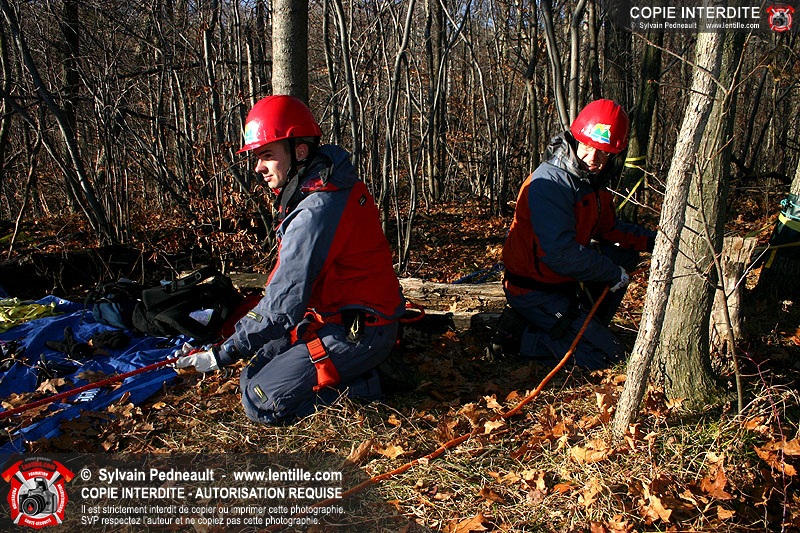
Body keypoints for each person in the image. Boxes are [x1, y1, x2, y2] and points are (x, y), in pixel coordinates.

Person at [174, 95, 405, 423]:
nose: (258, 168)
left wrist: (221, 354)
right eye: (257, 157)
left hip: (359, 332)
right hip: (336, 318)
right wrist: (230, 343)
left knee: (261, 402)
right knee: (250, 376)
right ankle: (358, 369)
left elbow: (282, 306)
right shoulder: (328, 188)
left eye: (267, 156)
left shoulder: (317, 210)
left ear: (300, 152)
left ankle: (368, 384)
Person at [494, 99, 656, 370]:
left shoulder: (592, 184)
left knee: (624, 255)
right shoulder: (550, 184)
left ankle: (584, 325)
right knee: (607, 356)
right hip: (533, 290)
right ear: (575, 139)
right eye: (588, 147)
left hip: (562, 284)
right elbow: (560, 253)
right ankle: (519, 337)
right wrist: (611, 272)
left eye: (603, 153)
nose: (593, 159)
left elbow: (609, 229)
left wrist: (654, 241)